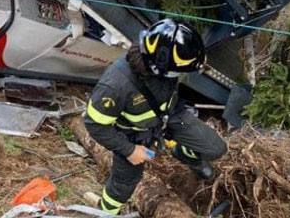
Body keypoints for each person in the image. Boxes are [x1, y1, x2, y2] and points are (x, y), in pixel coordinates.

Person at [84, 19, 227, 215]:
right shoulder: (115, 86)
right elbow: (95, 125)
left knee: (215, 148)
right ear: (159, 66)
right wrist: (129, 150)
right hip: (132, 135)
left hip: (169, 116)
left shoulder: (164, 58)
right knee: (123, 185)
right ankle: (106, 211)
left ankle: (181, 152)